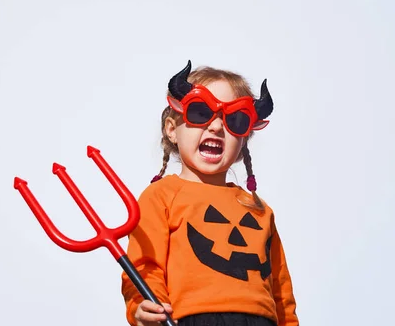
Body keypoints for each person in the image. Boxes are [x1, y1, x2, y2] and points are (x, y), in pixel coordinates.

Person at [120, 61, 299, 326]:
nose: (216, 127)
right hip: (192, 319)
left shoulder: (259, 210)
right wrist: (144, 306)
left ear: (243, 142)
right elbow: (146, 266)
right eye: (200, 112)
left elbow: (281, 292)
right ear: (172, 130)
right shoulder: (161, 195)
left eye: (234, 120)